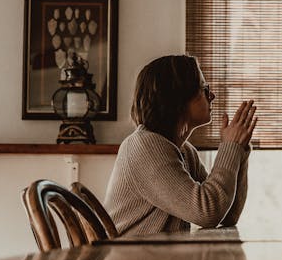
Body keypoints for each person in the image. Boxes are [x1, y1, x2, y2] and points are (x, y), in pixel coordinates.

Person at [104, 55, 257, 236]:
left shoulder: (184, 150)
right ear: (178, 97)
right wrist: (230, 146)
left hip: (155, 257)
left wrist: (239, 150)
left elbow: (226, 215)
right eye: (204, 89)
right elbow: (207, 211)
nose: (212, 96)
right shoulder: (145, 146)